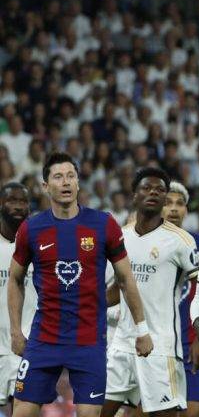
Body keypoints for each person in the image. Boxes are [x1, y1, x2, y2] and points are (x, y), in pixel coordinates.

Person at [7, 152, 152, 417]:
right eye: (58, 177)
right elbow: (15, 279)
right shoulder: (32, 228)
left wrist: (142, 329)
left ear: (78, 182)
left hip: (89, 340)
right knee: (22, 412)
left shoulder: (103, 224)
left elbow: (125, 278)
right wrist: (16, 331)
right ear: (45, 186)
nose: (65, 182)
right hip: (44, 339)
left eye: (71, 176)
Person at [102, 167, 199, 417]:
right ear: (134, 195)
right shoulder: (120, 237)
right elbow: (117, 289)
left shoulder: (181, 241)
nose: (153, 193)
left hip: (161, 347)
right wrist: (87, 304)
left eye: (159, 190)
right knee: (94, 411)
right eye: (146, 188)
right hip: (121, 343)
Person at [162, 181, 199, 417]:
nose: (174, 209)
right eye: (168, 203)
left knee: (195, 411)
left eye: (180, 204)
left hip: (193, 344)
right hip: (158, 346)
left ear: (186, 211)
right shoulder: (144, 242)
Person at [0, 183, 34, 412]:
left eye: (23, 202)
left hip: (23, 345)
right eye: (12, 200)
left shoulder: (39, 247)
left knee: (23, 408)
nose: (18, 206)